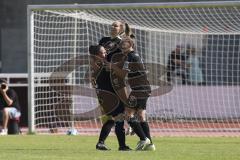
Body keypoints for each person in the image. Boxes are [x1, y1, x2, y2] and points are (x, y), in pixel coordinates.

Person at [109, 37, 155, 151]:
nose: (122, 45)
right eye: (121, 43)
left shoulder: (130, 57)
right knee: (141, 115)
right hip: (144, 89)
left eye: (125, 43)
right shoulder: (132, 56)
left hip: (138, 90)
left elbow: (122, 74)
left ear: (131, 44)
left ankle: (144, 139)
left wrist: (112, 66)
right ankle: (150, 145)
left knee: (128, 114)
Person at [89, 45, 131, 151]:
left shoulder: (95, 66)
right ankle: (122, 146)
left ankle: (101, 143)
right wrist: (125, 57)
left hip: (105, 98)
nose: (105, 54)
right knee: (119, 118)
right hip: (111, 98)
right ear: (97, 55)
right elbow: (119, 72)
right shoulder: (103, 66)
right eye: (103, 52)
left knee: (111, 120)